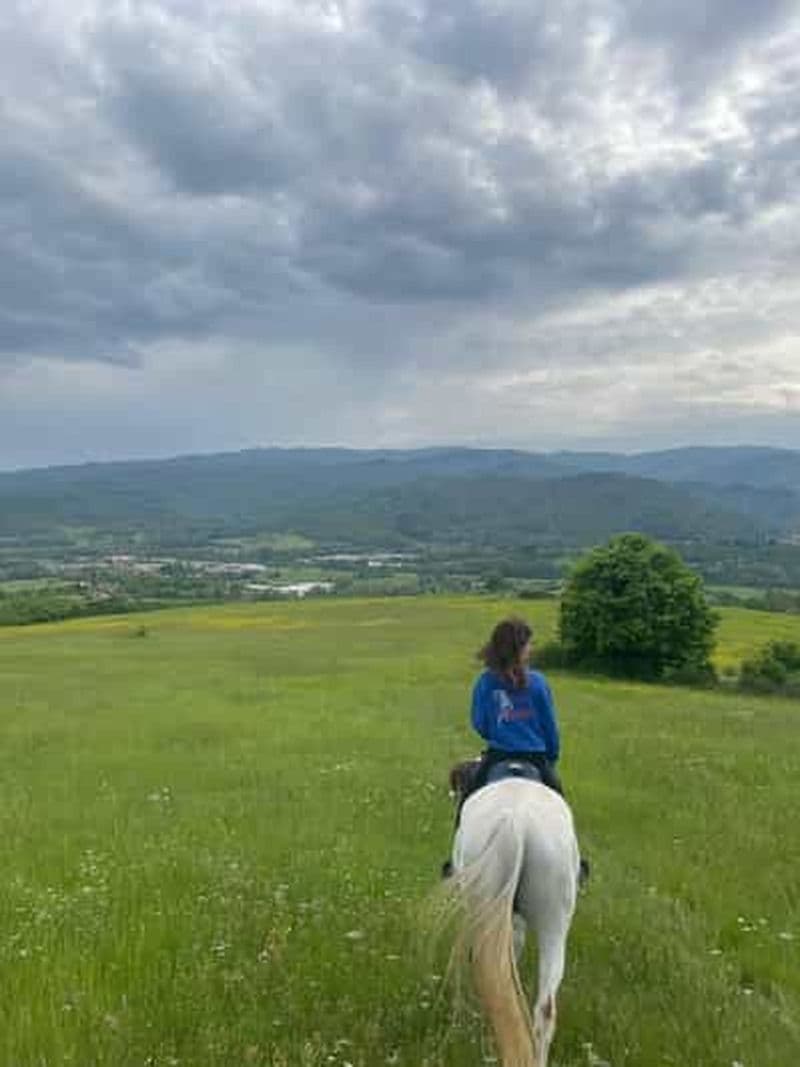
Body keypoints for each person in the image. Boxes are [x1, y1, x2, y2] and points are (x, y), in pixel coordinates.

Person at [442, 617, 589, 883]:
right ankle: (575, 866)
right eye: (528, 644)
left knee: (468, 802)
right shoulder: (538, 682)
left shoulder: (485, 682)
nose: (531, 649)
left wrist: (500, 732)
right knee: (560, 803)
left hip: (498, 756)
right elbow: (549, 727)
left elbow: (479, 723)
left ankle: (455, 863)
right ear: (518, 648)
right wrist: (551, 757)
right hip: (536, 758)